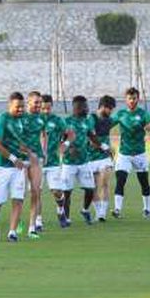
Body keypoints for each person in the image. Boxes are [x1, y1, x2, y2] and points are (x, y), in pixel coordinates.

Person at [0, 92, 30, 242]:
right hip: (2, 167)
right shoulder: (2, 119)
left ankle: (12, 232)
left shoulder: (25, 119)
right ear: (9, 105)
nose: (21, 110)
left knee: (18, 199)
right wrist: (13, 158)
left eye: (22, 107)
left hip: (19, 167)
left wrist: (28, 150)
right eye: (17, 107)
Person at [112, 87, 150, 219]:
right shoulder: (120, 114)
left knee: (144, 182)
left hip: (140, 154)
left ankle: (147, 209)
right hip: (124, 154)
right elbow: (107, 125)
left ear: (138, 99)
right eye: (129, 98)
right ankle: (117, 209)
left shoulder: (143, 114)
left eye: (134, 98)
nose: (132, 101)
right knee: (120, 180)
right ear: (125, 100)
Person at [62, 96, 98, 226]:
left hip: (84, 161)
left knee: (90, 189)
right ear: (76, 107)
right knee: (67, 192)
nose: (87, 109)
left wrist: (103, 147)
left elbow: (92, 136)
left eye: (87, 106)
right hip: (69, 162)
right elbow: (60, 140)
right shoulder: (66, 121)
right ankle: (66, 217)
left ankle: (85, 210)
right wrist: (69, 148)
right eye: (84, 107)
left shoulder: (88, 121)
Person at [40, 95, 70, 228]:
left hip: (53, 162)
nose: (46, 111)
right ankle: (38, 221)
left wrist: (65, 143)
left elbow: (70, 133)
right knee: (36, 192)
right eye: (43, 108)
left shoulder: (57, 120)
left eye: (48, 108)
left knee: (57, 191)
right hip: (37, 164)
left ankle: (60, 209)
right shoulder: (33, 120)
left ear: (51, 106)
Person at [87, 96, 117, 222]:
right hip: (91, 157)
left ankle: (102, 214)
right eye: (109, 109)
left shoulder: (109, 120)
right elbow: (91, 139)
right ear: (102, 107)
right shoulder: (91, 119)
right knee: (93, 186)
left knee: (104, 183)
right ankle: (98, 210)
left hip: (104, 158)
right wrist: (105, 146)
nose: (111, 112)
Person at [21, 91, 45, 237]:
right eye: (36, 102)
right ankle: (18, 222)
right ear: (28, 102)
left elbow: (44, 134)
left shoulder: (41, 119)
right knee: (20, 194)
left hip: (37, 159)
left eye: (40, 102)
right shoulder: (21, 118)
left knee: (36, 192)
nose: (38, 105)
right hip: (22, 159)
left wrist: (44, 151)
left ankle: (32, 226)